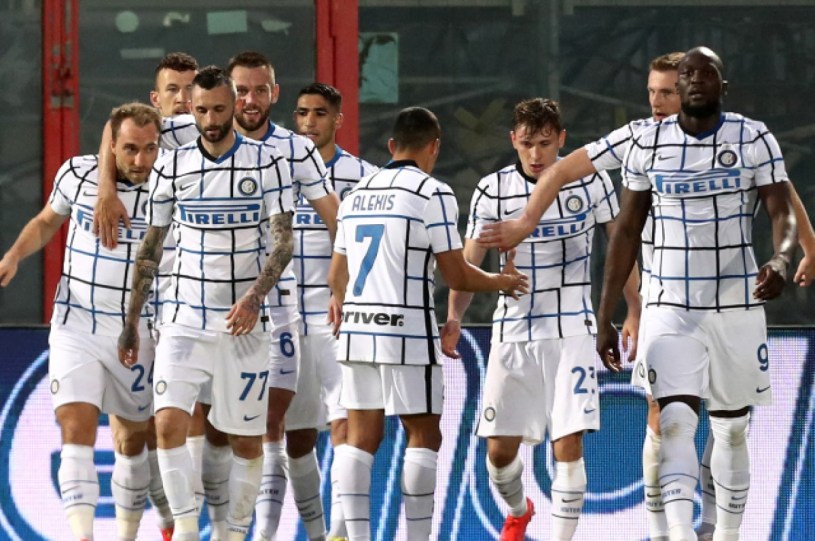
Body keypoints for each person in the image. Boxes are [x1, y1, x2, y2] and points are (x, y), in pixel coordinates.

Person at [594, 47, 796, 541]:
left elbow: (782, 211)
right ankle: (681, 534)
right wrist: (607, 313)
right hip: (669, 306)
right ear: (678, 85)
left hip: (736, 303)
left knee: (730, 428)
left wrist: (781, 258)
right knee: (675, 420)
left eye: (707, 74)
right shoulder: (647, 143)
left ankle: (727, 534)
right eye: (688, 74)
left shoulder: (753, 137)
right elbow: (625, 231)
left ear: (722, 86)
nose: (697, 80)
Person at [441, 98, 640, 541]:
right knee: (498, 455)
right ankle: (519, 511)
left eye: (546, 144)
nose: (536, 154)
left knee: (568, 442)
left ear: (562, 140)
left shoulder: (591, 181)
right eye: (527, 143)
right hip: (512, 331)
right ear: (513, 139)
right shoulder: (492, 190)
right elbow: (468, 263)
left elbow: (621, 246)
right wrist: (454, 315)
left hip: (572, 328)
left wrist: (635, 309)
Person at [327, 106, 528, 541]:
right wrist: (501, 281)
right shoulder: (432, 192)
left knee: (359, 437)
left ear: (391, 145)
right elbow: (456, 274)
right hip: (406, 329)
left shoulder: (356, 193)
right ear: (434, 147)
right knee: (422, 432)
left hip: (356, 330)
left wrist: (348, 306)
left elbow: (335, 276)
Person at [117, 66, 294, 541]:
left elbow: (284, 244)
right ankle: (186, 530)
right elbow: (150, 249)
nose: (211, 120)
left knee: (247, 441)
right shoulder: (171, 166)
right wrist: (131, 321)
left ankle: (234, 533)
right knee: (167, 424)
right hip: (183, 320)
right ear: (190, 110)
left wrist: (255, 298)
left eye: (219, 109)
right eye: (201, 110)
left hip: (244, 326)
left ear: (234, 105)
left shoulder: (269, 162)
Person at [0, 103, 162, 541]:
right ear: (112, 145)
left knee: (132, 442)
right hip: (78, 323)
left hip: (139, 331)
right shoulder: (77, 174)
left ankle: (127, 534)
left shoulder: (171, 188)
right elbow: (46, 221)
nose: (140, 160)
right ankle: (82, 536)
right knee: (75, 428)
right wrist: (14, 255)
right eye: (130, 149)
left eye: (149, 149)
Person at [222, 51, 340, 541]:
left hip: (282, 311)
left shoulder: (295, 150)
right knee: (212, 434)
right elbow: (122, 129)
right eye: (240, 91)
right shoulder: (194, 139)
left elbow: (338, 221)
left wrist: (344, 288)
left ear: (274, 93)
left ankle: (281, 534)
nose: (249, 101)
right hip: (209, 310)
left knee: (288, 431)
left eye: (259, 90)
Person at [92, 51, 201, 540]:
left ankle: (190, 526)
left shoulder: (213, 139)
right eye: (172, 89)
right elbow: (111, 127)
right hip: (134, 305)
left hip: (188, 308)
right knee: (130, 437)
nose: (183, 98)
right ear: (157, 99)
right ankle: (155, 526)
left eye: (190, 89)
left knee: (181, 430)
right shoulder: (150, 139)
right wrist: (104, 187)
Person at [291, 82, 378, 541]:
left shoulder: (364, 177)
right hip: (284, 319)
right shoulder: (277, 170)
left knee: (345, 422)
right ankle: (316, 532)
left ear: (338, 120)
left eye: (320, 113)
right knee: (294, 438)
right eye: (302, 112)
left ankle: (342, 535)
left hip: (338, 319)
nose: (309, 122)